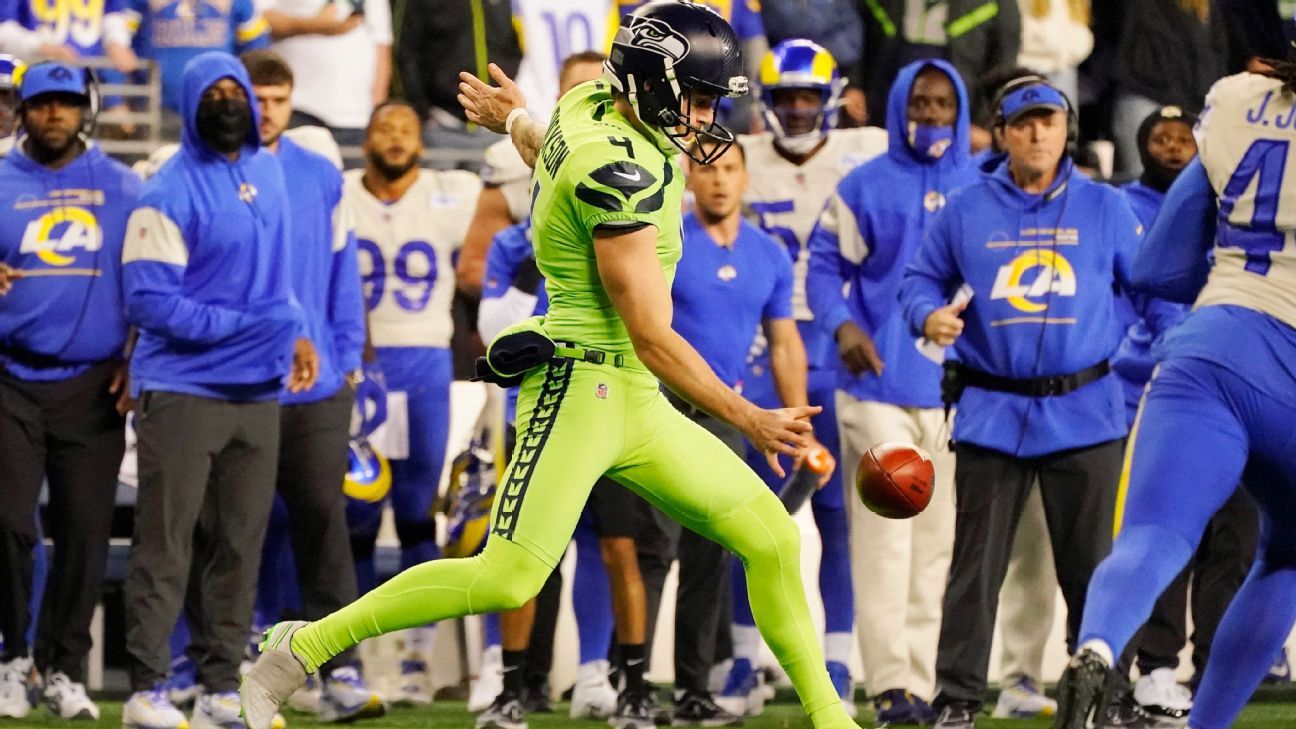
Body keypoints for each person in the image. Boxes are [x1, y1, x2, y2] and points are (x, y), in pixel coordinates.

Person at [241, 5, 856, 729]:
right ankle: (300, 646)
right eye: (694, 94)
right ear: (650, 85)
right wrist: (746, 414)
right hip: (579, 386)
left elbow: (549, 143)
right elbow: (652, 332)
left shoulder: (592, 104)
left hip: (632, 393)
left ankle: (831, 719)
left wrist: (514, 120)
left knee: (772, 536)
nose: (704, 115)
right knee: (508, 577)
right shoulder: (617, 167)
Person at [1052, 56, 1296, 729]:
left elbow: (1158, 265)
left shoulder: (1239, 100)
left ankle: (1097, 645)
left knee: (1152, 535)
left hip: (1210, 348)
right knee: (1285, 556)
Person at [899, 79, 1141, 729]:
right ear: (1001, 133)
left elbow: (1150, 289)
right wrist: (930, 318)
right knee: (973, 570)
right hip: (991, 412)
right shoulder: (963, 208)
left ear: (1068, 130)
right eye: (1024, 122)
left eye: (1050, 121)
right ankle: (956, 698)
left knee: (1095, 571)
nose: (1038, 133)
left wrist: (1145, 356)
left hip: (1087, 410)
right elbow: (919, 280)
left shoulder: (1106, 207)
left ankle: (1110, 696)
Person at [119, 50, 316, 729]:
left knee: (239, 544)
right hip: (182, 390)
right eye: (218, 91)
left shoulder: (267, 169)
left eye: (240, 90)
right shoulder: (165, 192)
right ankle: (147, 686)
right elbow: (151, 303)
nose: (233, 102)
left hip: (258, 391)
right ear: (193, 102)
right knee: (166, 543)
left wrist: (292, 330)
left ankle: (216, 687)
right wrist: (255, 325)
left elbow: (277, 278)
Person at [716, 39, 884, 719]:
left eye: (806, 97)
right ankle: (744, 656)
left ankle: (837, 655)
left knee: (839, 511)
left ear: (832, 97)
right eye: (783, 97)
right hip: (760, 345)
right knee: (749, 512)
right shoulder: (737, 156)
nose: (794, 108)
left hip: (835, 343)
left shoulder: (866, 152)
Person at [807, 57, 975, 726]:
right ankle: (890, 687)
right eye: (919, 103)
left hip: (956, 392)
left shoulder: (981, 188)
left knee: (937, 545)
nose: (930, 116)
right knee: (887, 540)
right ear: (899, 105)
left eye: (942, 104)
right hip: (874, 384)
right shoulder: (864, 184)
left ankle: (923, 683)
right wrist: (842, 324)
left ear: (960, 112)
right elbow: (821, 265)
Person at [638, 139, 815, 727]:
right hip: (655, 406)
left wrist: (799, 424)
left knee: (711, 554)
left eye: (730, 169)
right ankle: (632, 685)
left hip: (725, 414)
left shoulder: (769, 253)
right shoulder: (666, 240)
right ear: (688, 175)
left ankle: (693, 690)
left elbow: (785, 339)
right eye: (707, 168)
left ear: (746, 178)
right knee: (652, 550)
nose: (718, 180)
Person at [239, 48, 386, 723]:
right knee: (234, 525)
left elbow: (340, 272)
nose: (266, 110)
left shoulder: (319, 174)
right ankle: (224, 660)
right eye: (256, 97)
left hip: (321, 380)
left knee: (323, 522)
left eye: (277, 99)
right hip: (240, 379)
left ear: (291, 100)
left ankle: (340, 670)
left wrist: (349, 356)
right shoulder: (213, 166)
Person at [0, 60, 140, 721]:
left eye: (62, 102)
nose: (51, 113)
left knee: (84, 532)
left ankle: (59, 666)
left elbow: (151, 276)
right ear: (20, 110)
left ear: (81, 107)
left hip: (95, 382)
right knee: (7, 524)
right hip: (8, 377)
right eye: (39, 103)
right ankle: (8, 657)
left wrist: (139, 354)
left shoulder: (124, 184)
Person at [476, 221, 647, 728]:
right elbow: (492, 335)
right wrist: (530, 271)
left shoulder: (619, 226)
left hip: (608, 404)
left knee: (617, 548)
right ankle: (510, 686)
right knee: (520, 554)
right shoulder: (511, 244)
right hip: (536, 412)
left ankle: (618, 683)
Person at [340, 98, 481, 697]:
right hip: (360, 366)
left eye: (406, 129)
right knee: (357, 515)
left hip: (425, 361)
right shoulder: (341, 191)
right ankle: (352, 656)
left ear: (422, 144)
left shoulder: (453, 192)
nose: (395, 139)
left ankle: (417, 661)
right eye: (383, 128)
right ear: (366, 139)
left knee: (420, 512)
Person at [261, 0, 392, 148]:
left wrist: (377, 110)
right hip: (298, 107)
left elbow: (381, 44)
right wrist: (314, 25)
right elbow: (258, 20)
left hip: (357, 116)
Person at [123, 0, 270, 117]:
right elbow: (114, 41)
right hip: (156, 108)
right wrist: (115, 102)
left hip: (218, 108)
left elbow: (257, 50)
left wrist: (247, 95)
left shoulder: (241, 3)